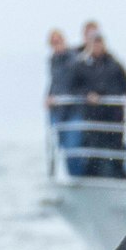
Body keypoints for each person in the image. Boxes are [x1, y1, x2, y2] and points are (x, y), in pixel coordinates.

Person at [70, 31, 126, 179]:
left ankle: (120, 177)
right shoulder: (82, 65)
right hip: (94, 115)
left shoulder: (114, 64)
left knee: (116, 148)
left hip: (114, 115)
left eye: (100, 43)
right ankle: (92, 177)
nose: (98, 46)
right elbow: (74, 87)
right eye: (95, 43)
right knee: (94, 148)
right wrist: (87, 94)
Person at [45, 29, 83, 176]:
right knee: (62, 147)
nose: (57, 45)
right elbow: (54, 82)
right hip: (58, 111)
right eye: (53, 42)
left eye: (58, 41)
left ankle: (78, 177)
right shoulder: (53, 60)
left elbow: (73, 82)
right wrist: (48, 97)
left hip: (72, 110)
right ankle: (73, 177)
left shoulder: (73, 58)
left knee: (73, 146)